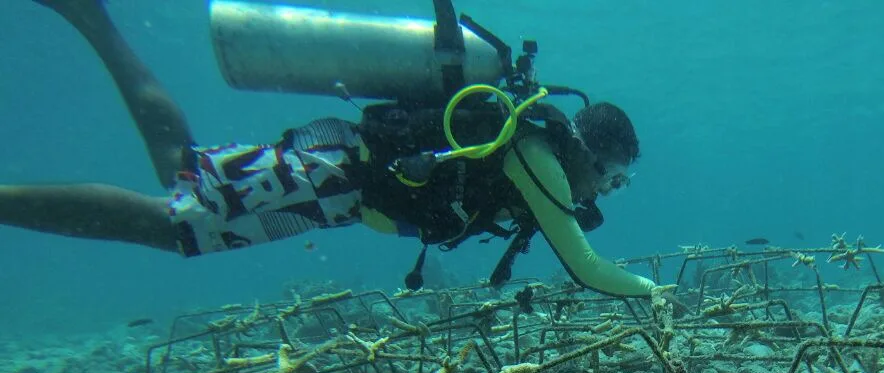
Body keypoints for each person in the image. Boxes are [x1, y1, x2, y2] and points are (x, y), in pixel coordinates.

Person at [0, 0, 657, 298]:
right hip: (338, 173)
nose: (609, 192)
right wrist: (659, 296)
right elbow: (588, 268)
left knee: (180, 189)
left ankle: (95, 21)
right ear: (585, 151)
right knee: (178, 217)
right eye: (613, 178)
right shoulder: (536, 154)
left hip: (340, 186)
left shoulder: (539, 156)